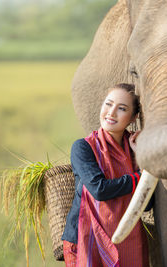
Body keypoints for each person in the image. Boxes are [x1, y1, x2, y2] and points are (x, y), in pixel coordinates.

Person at [61, 83, 149, 267]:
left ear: (133, 118)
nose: (111, 112)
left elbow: (147, 204)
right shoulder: (83, 147)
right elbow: (99, 190)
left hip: (128, 238)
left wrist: (140, 157)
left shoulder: (134, 151)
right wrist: (141, 176)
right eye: (108, 104)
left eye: (122, 108)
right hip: (85, 239)